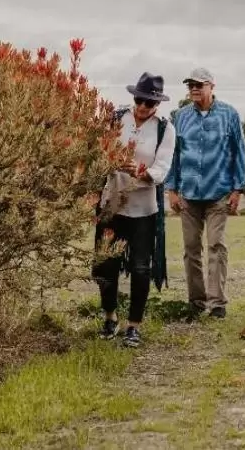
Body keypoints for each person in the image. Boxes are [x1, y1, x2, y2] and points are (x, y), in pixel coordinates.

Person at [92, 72, 176, 348]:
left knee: (141, 268)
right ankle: (110, 317)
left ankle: (134, 326)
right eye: (139, 100)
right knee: (106, 264)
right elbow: (96, 151)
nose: (142, 106)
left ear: (157, 105)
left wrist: (142, 173)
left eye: (149, 103)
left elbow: (163, 168)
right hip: (112, 204)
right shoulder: (115, 118)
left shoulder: (165, 128)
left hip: (144, 208)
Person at [165, 67, 245, 319]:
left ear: (212, 86)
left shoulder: (229, 114)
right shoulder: (179, 116)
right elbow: (174, 155)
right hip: (188, 194)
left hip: (219, 192)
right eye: (190, 84)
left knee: (216, 245)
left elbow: (240, 152)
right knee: (191, 249)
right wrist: (171, 189)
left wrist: (238, 188)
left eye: (199, 84)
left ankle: (217, 303)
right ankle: (196, 302)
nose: (194, 88)